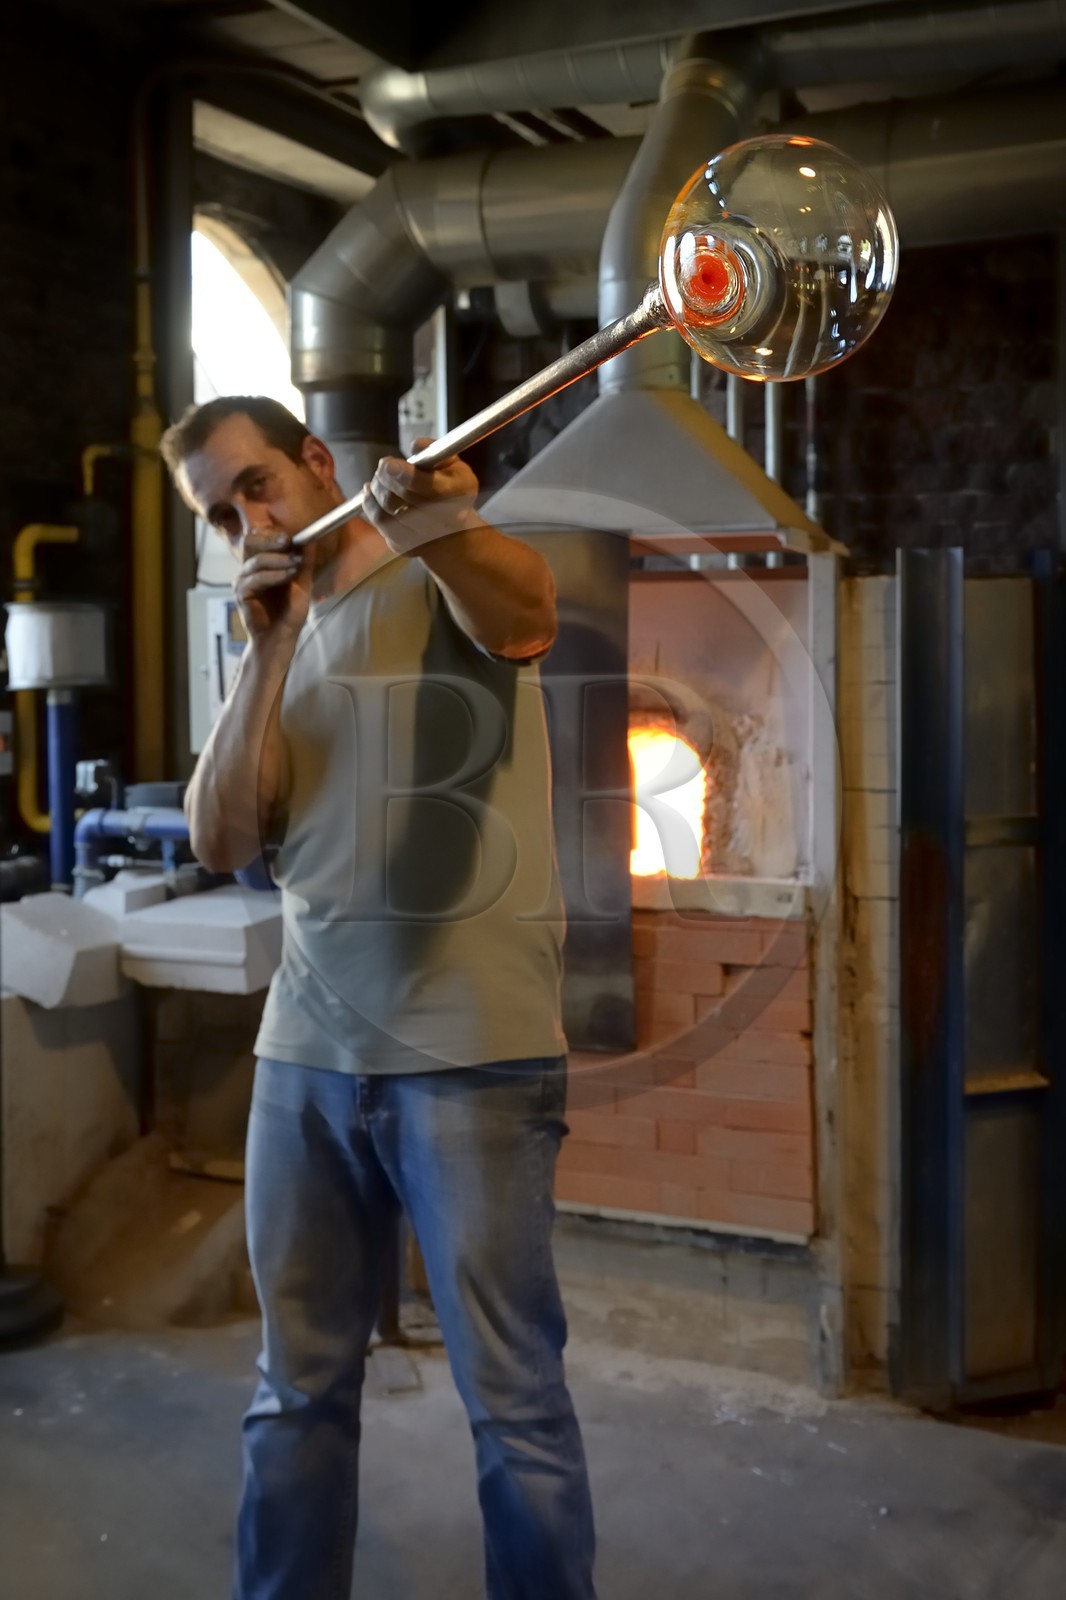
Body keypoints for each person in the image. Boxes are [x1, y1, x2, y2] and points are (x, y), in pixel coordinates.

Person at [161, 395, 597, 1600]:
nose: (249, 516)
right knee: (293, 1393)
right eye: (220, 510)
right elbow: (221, 835)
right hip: (306, 1053)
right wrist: (266, 649)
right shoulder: (265, 631)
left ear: (315, 459)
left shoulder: (438, 572)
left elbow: (528, 611)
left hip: (471, 1054)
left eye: (258, 483)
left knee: (514, 1403)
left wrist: (442, 524)